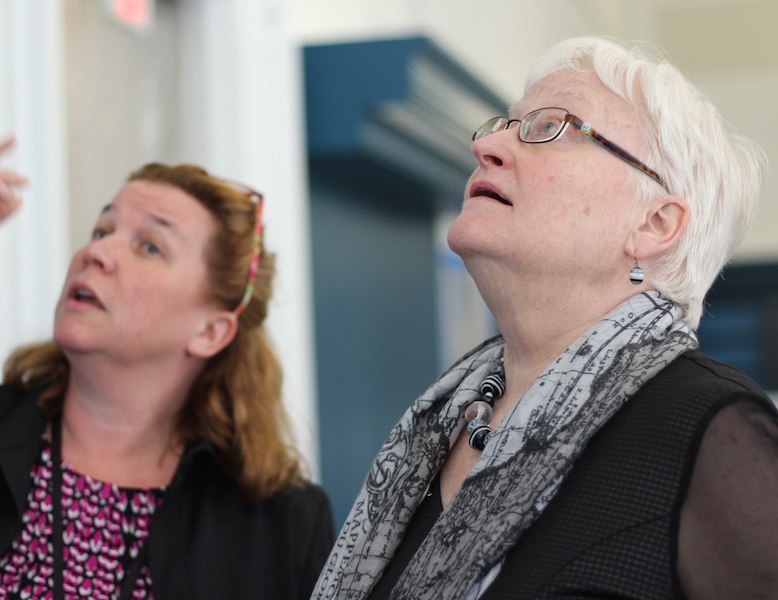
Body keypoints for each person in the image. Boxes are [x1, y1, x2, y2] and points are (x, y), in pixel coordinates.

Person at [311, 36, 778, 600]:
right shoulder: (436, 424)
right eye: (503, 125)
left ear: (654, 223)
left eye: (550, 126)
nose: (493, 147)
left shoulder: (711, 429)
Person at [0, 136, 334, 599]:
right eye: (102, 230)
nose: (96, 252)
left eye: (150, 246)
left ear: (210, 333)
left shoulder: (282, 527)